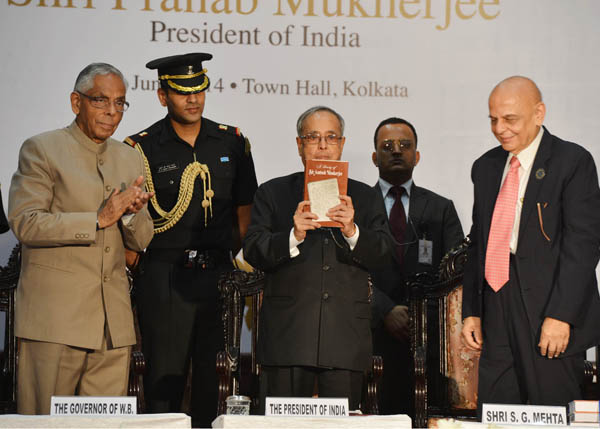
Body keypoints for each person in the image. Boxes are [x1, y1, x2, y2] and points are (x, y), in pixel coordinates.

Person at [8, 63, 154, 414]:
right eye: (101, 101)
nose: (112, 112)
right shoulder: (42, 149)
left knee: (106, 425)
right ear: (77, 102)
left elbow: (143, 238)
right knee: (43, 423)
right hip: (56, 322)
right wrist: (98, 218)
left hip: (113, 326)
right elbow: (25, 222)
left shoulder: (128, 156)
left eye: (120, 103)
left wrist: (131, 213)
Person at [124, 52, 258, 427]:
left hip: (216, 276)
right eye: (182, 92)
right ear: (162, 95)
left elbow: (244, 214)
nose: (193, 99)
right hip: (165, 277)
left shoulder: (232, 142)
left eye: (199, 89)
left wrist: (222, 255)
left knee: (212, 382)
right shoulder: (141, 148)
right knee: (164, 382)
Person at [461, 76, 600, 414]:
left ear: (539, 113)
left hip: (548, 307)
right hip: (497, 301)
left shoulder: (572, 161)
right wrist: (473, 311)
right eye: (493, 119)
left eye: (510, 119)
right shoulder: (485, 167)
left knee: (551, 411)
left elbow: (583, 246)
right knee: (496, 411)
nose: (499, 128)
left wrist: (561, 315)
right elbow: (478, 242)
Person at [243, 106, 394, 411]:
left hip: (345, 338)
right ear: (300, 144)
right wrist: (292, 235)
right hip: (288, 337)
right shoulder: (273, 192)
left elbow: (384, 253)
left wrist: (352, 230)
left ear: (341, 143)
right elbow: (253, 250)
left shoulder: (365, 197)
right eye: (313, 137)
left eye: (331, 137)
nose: (323, 146)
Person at [370, 117, 464, 415]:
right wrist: (385, 309)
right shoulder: (355, 206)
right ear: (374, 157)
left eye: (405, 145)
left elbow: (457, 271)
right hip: (370, 337)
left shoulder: (441, 207)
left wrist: (419, 315)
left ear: (417, 155)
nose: (396, 151)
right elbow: (346, 270)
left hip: (428, 341)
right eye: (387, 146)